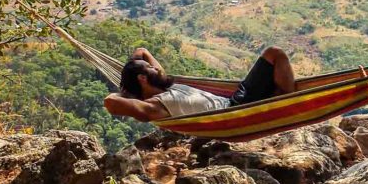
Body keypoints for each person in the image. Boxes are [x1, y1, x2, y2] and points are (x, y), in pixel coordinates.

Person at [103, 45, 296, 121]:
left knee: (273, 54)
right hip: (236, 112)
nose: (157, 68)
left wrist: (132, 75)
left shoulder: (164, 85)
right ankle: (287, 105)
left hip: (236, 98)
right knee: (277, 54)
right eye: (151, 68)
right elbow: (110, 102)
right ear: (143, 79)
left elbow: (142, 51)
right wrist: (126, 92)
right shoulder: (155, 106)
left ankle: (278, 98)